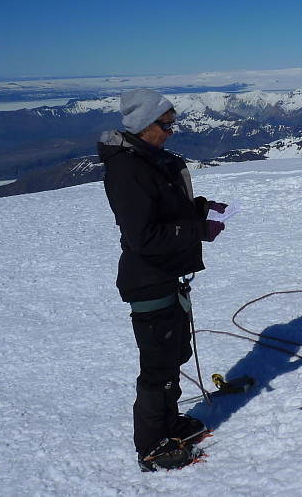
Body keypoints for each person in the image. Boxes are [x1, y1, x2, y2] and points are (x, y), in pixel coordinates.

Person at [97, 88, 227, 472]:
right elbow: (145, 237)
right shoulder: (127, 169)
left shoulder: (149, 159)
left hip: (165, 276)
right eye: (166, 125)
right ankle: (151, 446)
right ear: (143, 125)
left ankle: (169, 424)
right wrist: (197, 229)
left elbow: (169, 208)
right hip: (148, 280)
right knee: (158, 365)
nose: (171, 131)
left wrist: (203, 209)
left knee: (173, 356)